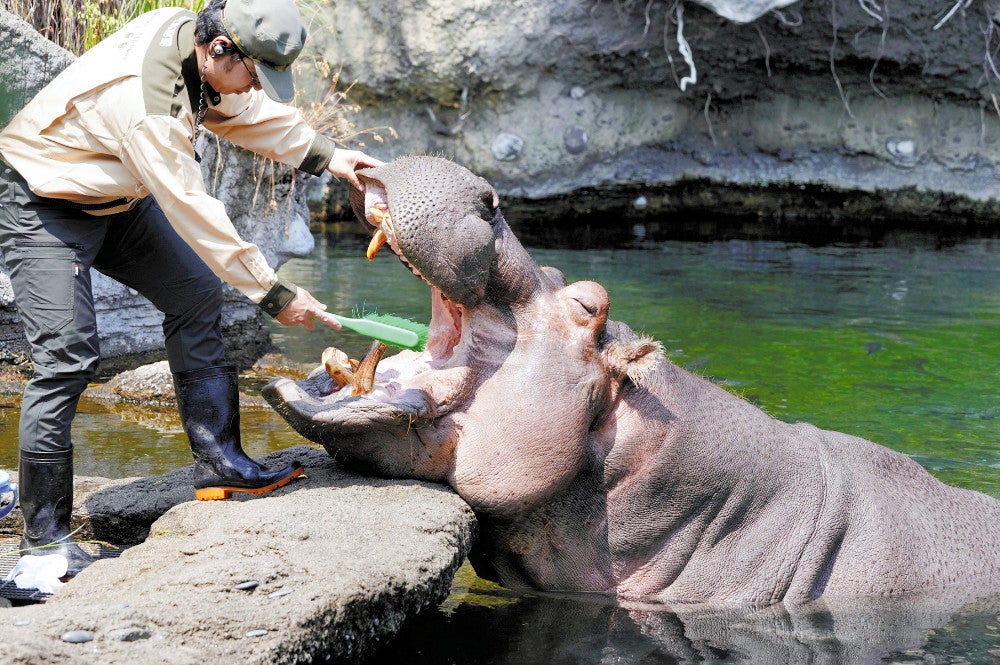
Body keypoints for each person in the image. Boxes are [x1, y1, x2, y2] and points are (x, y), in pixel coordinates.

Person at [0, 0, 381, 576]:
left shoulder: (196, 43)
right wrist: (274, 295)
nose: (256, 86)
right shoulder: (149, 107)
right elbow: (193, 211)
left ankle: (220, 463)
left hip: (115, 195)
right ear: (220, 49)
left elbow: (242, 110)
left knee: (195, 294)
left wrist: (327, 157)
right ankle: (44, 547)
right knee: (67, 359)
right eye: (254, 72)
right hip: (43, 202)